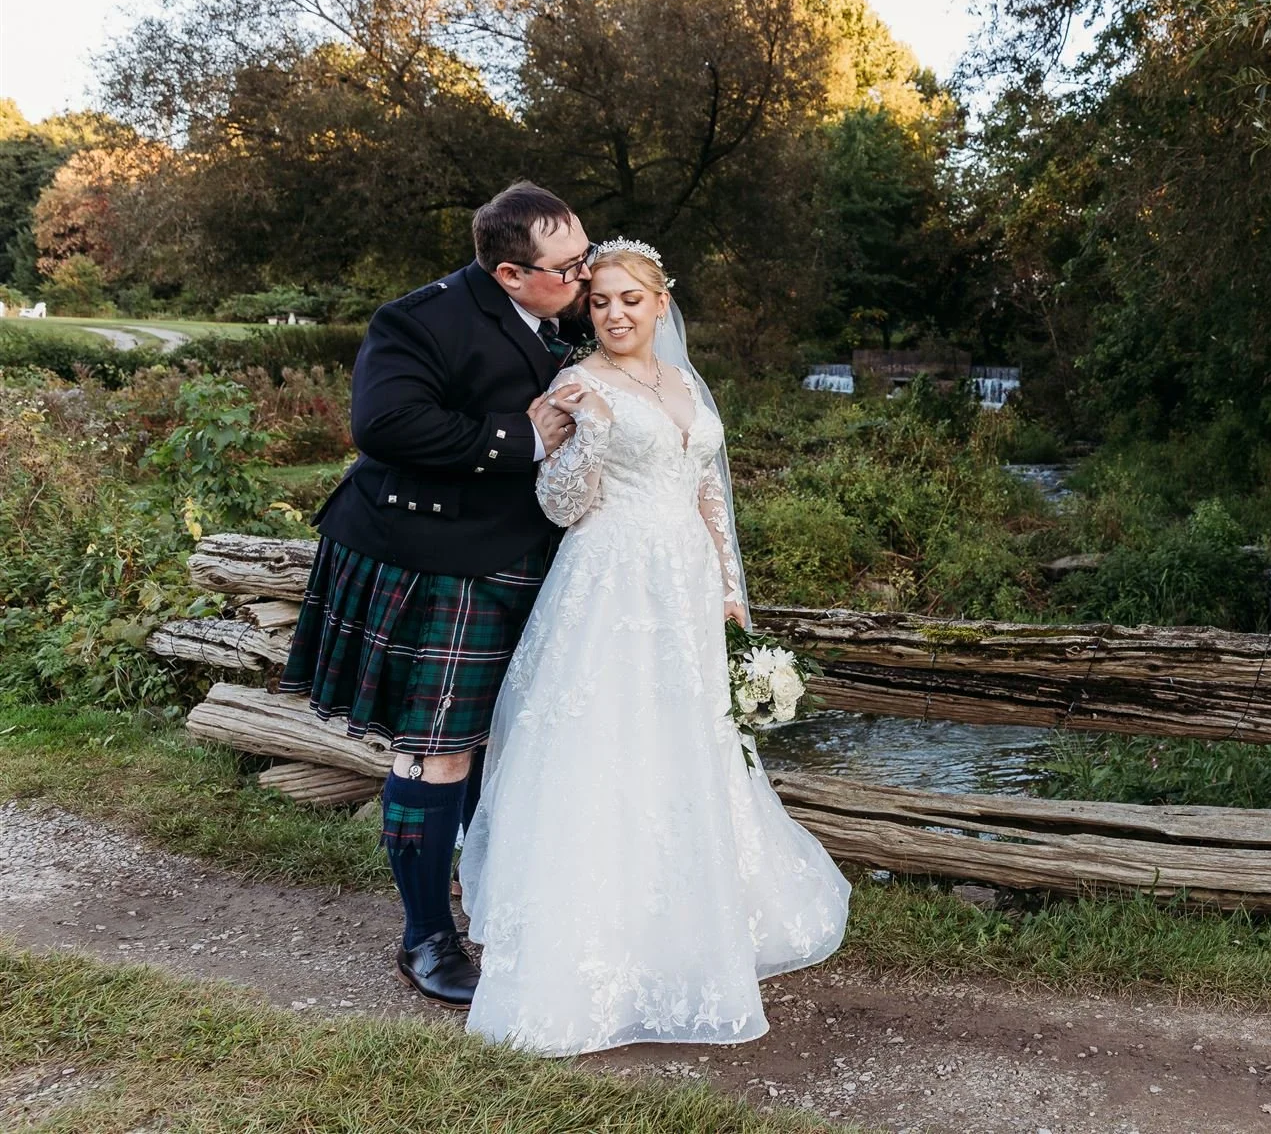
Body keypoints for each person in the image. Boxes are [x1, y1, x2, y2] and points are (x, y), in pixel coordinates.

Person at [460, 239, 849, 1055]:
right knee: (608, 741)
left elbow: (709, 490)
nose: (613, 314)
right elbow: (560, 502)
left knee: (686, 743)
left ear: (660, 303)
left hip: (685, 584)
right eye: (599, 301)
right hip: (609, 581)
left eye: (629, 299)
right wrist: (592, 436)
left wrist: (732, 591)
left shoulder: (684, 385)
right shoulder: (577, 384)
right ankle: (601, 937)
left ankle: (690, 915)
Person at [278, 181, 595, 1007]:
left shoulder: (570, 312)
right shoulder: (419, 319)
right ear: (510, 275)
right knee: (437, 750)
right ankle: (425, 936)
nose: (586, 277)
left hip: (530, 555)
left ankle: (488, 898)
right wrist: (520, 436)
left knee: (509, 745)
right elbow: (383, 424)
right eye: (570, 266)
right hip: (433, 557)